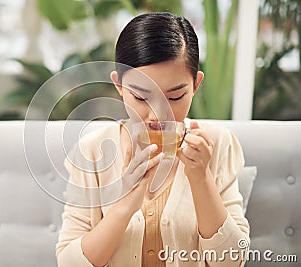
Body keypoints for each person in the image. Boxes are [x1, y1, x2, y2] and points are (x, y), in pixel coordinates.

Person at [56, 12, 250, 267]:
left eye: (175, 97)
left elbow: (232, 261)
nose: (158, 115)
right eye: (140, 97)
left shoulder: (216, 143)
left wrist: (201, 178)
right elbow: (69, 263)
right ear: (119, 86)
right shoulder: (92, 150)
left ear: (195, 85)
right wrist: (125, 205)